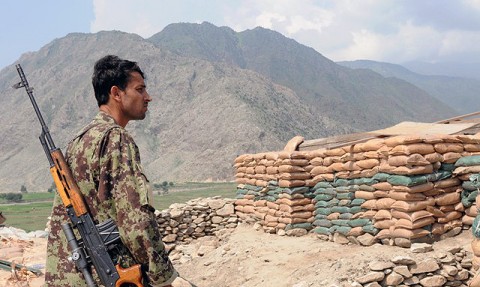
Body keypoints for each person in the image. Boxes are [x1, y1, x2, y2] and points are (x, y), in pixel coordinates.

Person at [45, 55, 178, 286]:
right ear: (116, 93)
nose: (148, 97)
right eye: (140, 89)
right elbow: (136, 221)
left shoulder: (79, 141)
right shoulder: (115, 138)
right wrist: (163, 277)